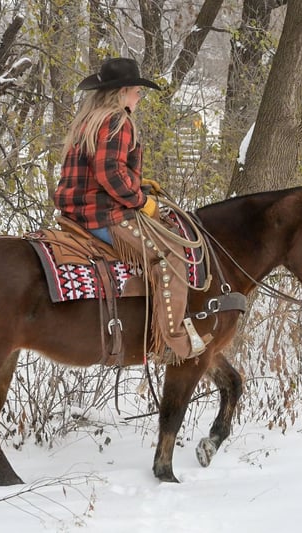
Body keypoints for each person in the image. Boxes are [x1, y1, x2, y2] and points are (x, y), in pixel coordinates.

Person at [53, 57, 206, 361]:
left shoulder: (88, 120)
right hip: (103, 216)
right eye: (136, 92)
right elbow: (109, 173)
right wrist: (142, 201)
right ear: (122, 92)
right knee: (172, 255)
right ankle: (172, 342)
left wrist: (138, 183)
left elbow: (102, 170)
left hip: (77, 211)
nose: (138, 98)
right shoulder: (117, 121)